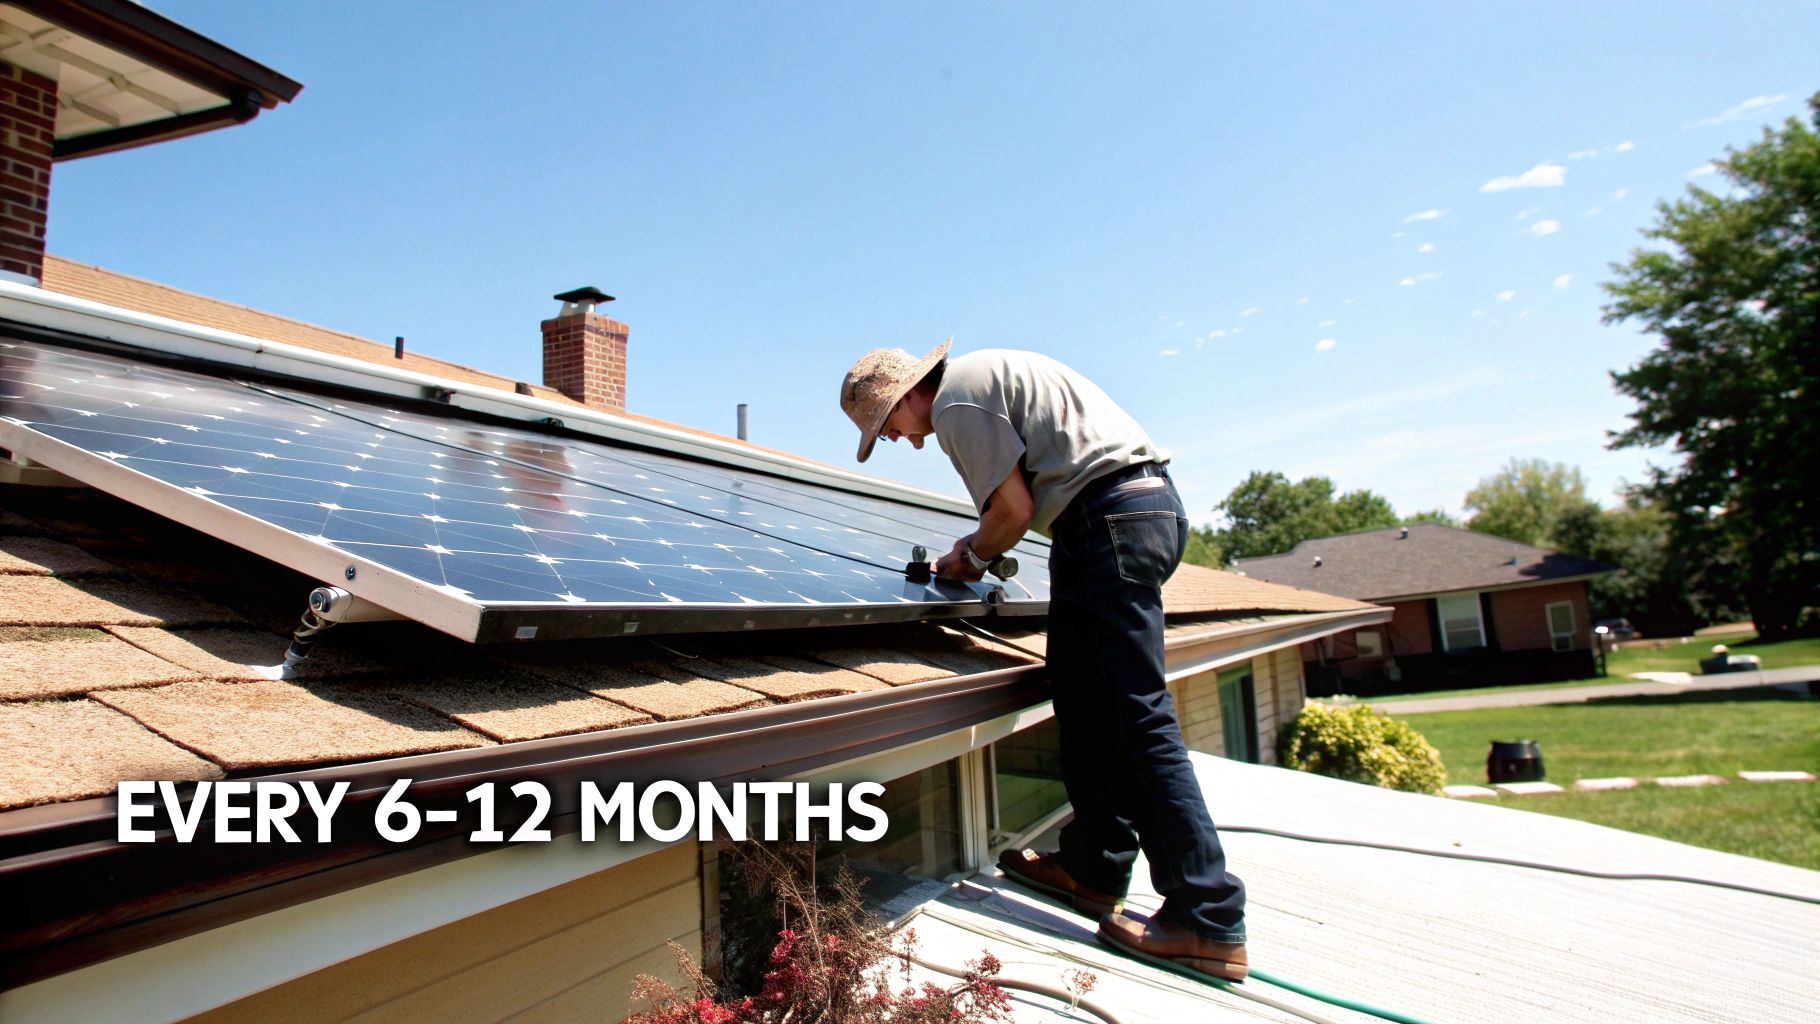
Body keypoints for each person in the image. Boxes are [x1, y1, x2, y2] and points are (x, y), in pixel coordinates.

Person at [839, 339, 1248, 982]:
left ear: (906, 394)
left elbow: (1012, 511)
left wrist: (969, 557)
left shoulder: (956, 402)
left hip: (1106, 520)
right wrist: (982, 543)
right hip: (1119, 517)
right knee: (1081, 695)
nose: (898, 440)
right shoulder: (981, 381)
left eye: (887, 427)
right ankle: (1094, 866)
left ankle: (1208, 914)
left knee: (1134, 711)